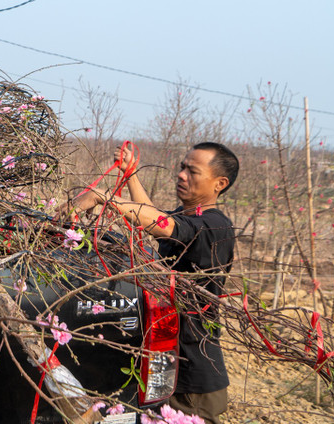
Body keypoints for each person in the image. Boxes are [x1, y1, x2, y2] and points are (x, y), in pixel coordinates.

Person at [71, 142, 238, 424]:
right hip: (169, 365)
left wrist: (103, 196)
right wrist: (130, 175)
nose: (182, 175)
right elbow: (152, 215)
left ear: (219, 183)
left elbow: (160, 224)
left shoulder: (214, 226)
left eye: (193, 171)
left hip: (194, 377)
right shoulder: (190, 218)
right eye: (183, 167)